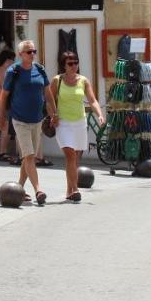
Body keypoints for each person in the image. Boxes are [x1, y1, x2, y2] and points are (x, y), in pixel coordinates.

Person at [0, 39, 58, 206]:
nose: (32, 54)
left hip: (37, 120)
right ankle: (38, 190)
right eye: (28, 52)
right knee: (30, 155)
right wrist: (1, 117)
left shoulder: (39, 70)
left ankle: (19, 189)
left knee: (27, 157)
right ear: (20, 54)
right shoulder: (13, 71)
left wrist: (54, 113)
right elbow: (4, 95)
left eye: (34, 51)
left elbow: (47, 93)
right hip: (20, 120)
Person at [52, 51, 104, 203]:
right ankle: (75, 189)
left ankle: (69, 190)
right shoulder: (57, 80)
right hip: (63, 123)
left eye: (76, 62)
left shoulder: (83, 80)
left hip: (80, 122)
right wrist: (53, 115)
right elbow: (49, 99)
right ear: (63, 65)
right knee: (70, 155)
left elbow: (92, 100)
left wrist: (99, 114)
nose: (74, 66)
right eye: (70, 63)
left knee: (75, 159)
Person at [0, 49, 16, 163]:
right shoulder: (5, 71)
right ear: (8, 59)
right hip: (4, 101)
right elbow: (7, 88)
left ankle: (3, 151)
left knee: (5, 125)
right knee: (6, 126)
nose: (13, 61)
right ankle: (2, 152)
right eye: (12, 59)